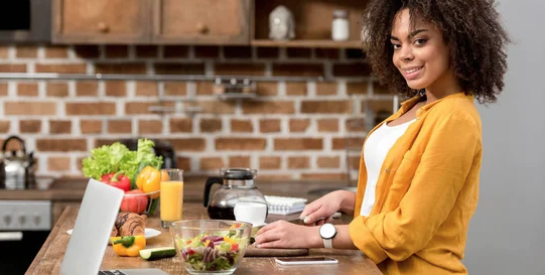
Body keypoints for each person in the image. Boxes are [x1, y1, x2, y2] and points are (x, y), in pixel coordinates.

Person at [254, 0, 509, 274]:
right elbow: (400, 198)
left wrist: (314, 236)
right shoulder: (416, 107)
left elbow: (406, 230)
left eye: (419, 41)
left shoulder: (455, 119)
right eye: (397, 44)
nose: (403, 55)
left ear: (457, 41)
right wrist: (345, 198)